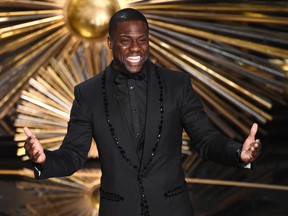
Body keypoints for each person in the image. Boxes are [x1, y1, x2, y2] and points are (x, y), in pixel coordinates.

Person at [24, 8, 261, 216]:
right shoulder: (88, 94)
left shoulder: (177, 85)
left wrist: (239, 153)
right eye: (125, 40)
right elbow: (74, 154)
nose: (135, 48)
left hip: (172, 209)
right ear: (110, 42)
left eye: (142, 40)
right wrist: (44, 159)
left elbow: (206, 140)